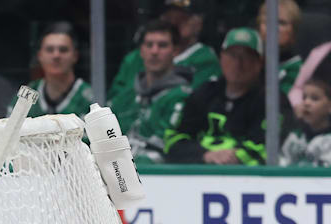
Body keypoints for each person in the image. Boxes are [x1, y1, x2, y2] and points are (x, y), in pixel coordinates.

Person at [165, 27, 294, 165]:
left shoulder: (273, 101)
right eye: (232, 55)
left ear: (259, 62)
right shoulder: (204, 93)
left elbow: (268, 148)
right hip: (197, 176)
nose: (238, 63)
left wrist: (233, 157)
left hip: (248, 180)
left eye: (246, 56)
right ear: (221, 58)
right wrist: (205, 155)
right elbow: (173, 140)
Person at [108, 20, 192, 163]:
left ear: (175, 51)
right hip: (118, 172)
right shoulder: (126, 95)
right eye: (149, 45)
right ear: (141, 51)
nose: (154, 51)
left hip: (158, 177)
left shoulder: (183, 97)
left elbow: (165, 148)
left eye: (162, 45)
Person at [108, 0, 220, 103]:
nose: (174, 23)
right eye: (169, 18)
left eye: (182, 19)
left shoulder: (206, 60)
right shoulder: (135, 58)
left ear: (198, 23)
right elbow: (115, 97)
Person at [9, 21, 95, 118]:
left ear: (75, 56)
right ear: (39, 55)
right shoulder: (25, 97)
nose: (56, 55)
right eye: (49, 49)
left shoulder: (91, 98)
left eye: (63, 50)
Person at [280, 75, 331, 166]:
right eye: (304, 98)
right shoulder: (295, 135)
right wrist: (294, 121)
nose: (306, 103)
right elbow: (282, 160)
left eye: (315, 98)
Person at [258, 0, 303, 96]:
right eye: (267, 21)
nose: (273, 27)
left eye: (281, 23)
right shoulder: (249, 64)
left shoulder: (298, 70)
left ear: (294, 30)